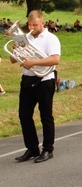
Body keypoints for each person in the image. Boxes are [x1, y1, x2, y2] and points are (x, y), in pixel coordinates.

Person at [12, 10, 61, 163]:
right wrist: (15, 51)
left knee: (45, 115)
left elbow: (55, 59)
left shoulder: (51, 39)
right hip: (27, 79)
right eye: (29, 24)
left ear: (42, 23)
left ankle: (48, 149)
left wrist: (33, 62)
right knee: (24, 115)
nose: (31, 27)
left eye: (35, 24)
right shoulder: (24, 38)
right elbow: (13, 60)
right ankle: (32, 148)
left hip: (45, 80)